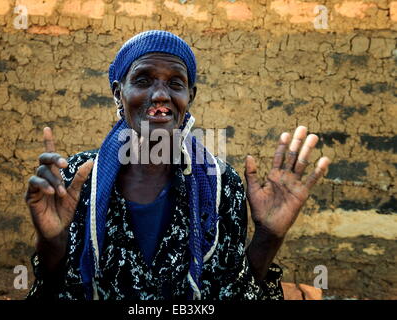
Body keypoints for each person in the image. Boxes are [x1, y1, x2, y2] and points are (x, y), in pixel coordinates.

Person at [25, 30, 330, 300]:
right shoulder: (78, 177)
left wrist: (269, 236)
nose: (160, 95)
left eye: (175, 83)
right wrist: (51, 240)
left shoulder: (221, 185)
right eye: (143, 80)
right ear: (119, 93)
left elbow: (234, 291)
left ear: (189, 97)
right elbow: (54, 287)